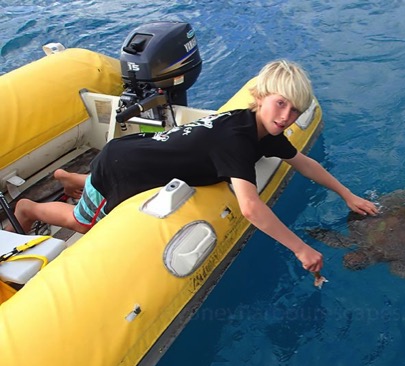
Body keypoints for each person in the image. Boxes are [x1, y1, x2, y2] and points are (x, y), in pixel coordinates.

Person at [13, 60, 378, 273]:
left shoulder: (259, 129)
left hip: (140, 153)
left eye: (295, 111)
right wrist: (300, 249)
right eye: (281, 104)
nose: (286, 116)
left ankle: (72, 178)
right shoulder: (237, 140)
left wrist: (347, 195)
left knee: (98, 189)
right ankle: (30, 207)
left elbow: (303, 162)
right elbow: (249, 207)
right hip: (122, 167)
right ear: (260, 97)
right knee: (83, 221)